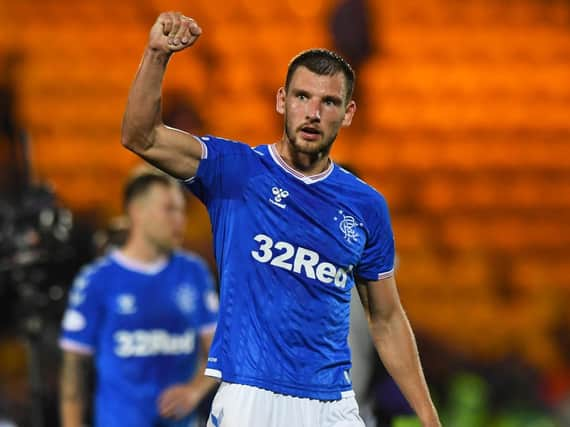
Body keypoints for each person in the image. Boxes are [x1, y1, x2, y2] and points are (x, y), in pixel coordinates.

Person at [121, 11, 441, 427]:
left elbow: (386, 318)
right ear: (281, 101)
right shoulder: (235, 170)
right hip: (252, 396)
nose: (313, 112)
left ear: (347, 113)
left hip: (334, 404)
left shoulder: (366, 206)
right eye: (302, 97)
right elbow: (139, 135)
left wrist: (430, 418)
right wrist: (157, 54)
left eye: (329, 102)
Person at [59, 172, 219, 427]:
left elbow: (218, 354)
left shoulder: (194, 273)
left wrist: (194, 390)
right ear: (137, 212)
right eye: (169, 210)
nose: (180, 220)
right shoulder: (97, 280)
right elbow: (74, 371)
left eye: (181, 211)